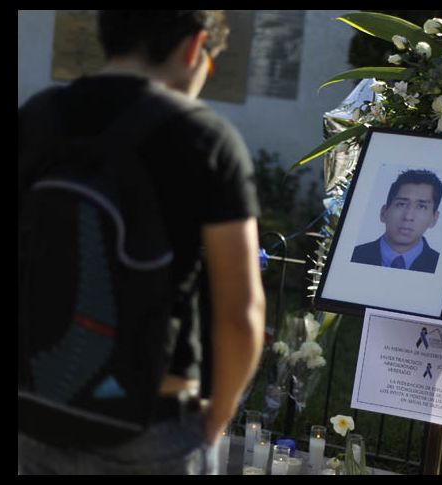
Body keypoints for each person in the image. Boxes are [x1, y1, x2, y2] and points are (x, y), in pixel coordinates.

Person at [18, 10, 266, 474]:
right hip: (154, 423)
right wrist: (218, 414)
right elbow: (241, 314)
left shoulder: (38, 118)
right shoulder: (205, 140)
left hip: (39, 411)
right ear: (195, 48)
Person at [351, 169, 442, 273]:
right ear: (383, 212)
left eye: (421, 207)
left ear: (434, 218)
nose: (408, 216)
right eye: (401, 204)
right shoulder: (352, 255)